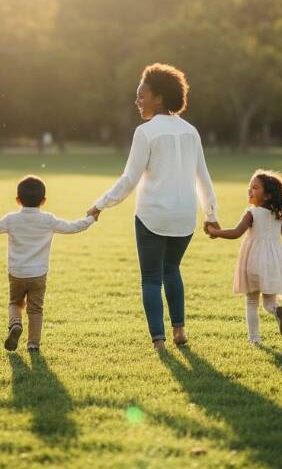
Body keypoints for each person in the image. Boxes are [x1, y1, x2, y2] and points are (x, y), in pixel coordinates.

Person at [87, 64, 218, 350]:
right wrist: (211, 215)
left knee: (150, 278)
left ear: (158, 98)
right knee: (172, 270)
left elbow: (129, 179)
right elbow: (203, 177)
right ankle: (179, 331)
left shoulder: (145, 132)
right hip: (184, 218)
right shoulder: (191, 131)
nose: (138, 101)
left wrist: (100, 205)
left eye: (142, 96)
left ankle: (159, 341)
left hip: (152, 216)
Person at [0, 175, 96, 352]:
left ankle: (15, 324)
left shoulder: (11, 219)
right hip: (38, 274)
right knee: (36, 310)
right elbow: (73, 227)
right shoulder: (48, 220)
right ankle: (33, 344)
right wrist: (91, 218)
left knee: (15, 303)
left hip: (17, 273)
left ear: (18, 200)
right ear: (43, 201)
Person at [205, 169, 282, 345]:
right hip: (273, 265)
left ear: (266, 196)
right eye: (249, 187)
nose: (249, 190)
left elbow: (236, 233)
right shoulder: (275, 217)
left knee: (251, 301)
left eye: (255, 188)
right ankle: (277, 309)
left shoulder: (252, 214)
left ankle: (254, 339)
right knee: (268, 302)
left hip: (253, 263)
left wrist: (215, 232)